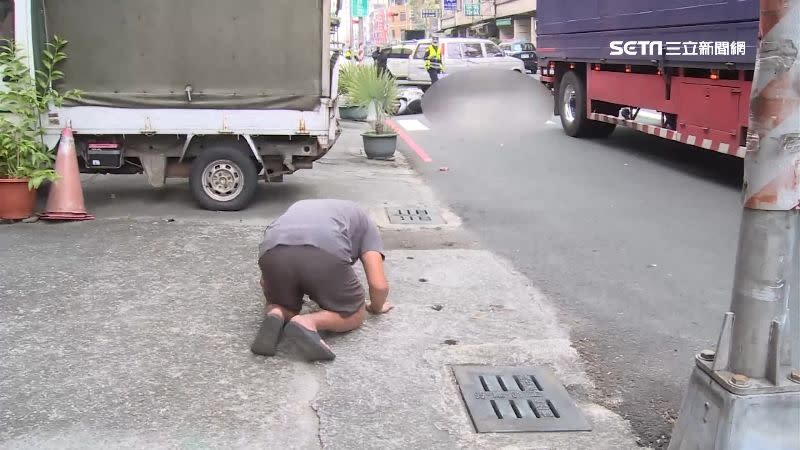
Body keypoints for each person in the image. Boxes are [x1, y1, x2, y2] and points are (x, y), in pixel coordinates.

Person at [251, 199, 393, 361]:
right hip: (324, 251)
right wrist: (376, 307)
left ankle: (277, 312)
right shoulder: (366, 223)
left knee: (284, 303)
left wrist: (272, 289)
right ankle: (308, 322)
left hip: (272, 252)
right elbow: (378, 285)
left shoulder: (300, 206)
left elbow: (264, 281)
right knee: (354, 313)